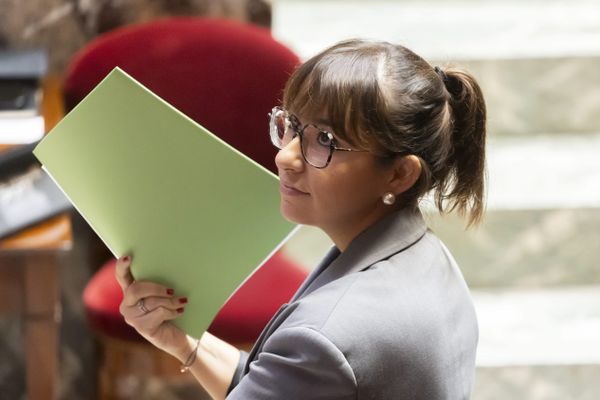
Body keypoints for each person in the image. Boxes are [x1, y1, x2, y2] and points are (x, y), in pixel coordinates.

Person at [115, 38, 486, 399]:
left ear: (399, 174)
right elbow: (280, 382)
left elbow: (313, 365)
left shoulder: (328, 337)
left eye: (324, 139)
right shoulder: (429, 258)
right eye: (292, 125)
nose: (285, 157)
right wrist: (184, 342)